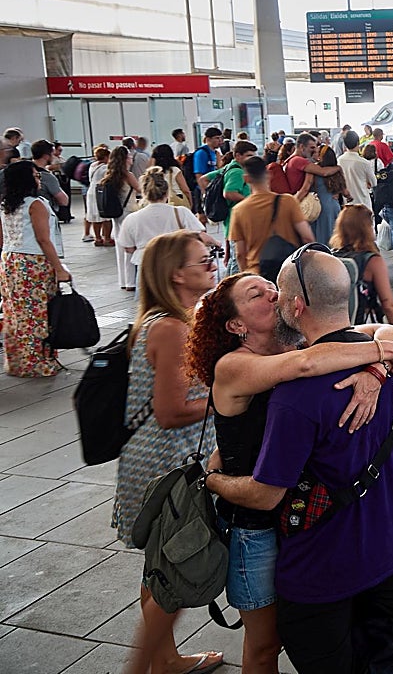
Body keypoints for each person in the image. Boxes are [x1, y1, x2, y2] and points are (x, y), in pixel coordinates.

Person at [201, 250, 393, 674]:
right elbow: (305, 365)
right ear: (236, 325)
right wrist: (211, 479)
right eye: (256, 294)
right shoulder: (238, 365)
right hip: (256, 525)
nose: (271, 294)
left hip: (294, 518)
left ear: (295, 305)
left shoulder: (296, 343)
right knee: (265, 645)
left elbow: (384, 329)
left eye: (272, 288)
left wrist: (376, 368)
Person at [115, 231, 224, 674]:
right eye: (204, 259)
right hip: (166, 466)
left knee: (161, 566)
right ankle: (147, 666)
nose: (213, 263)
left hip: (161, 460)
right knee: (177, 567)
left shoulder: (172, 319)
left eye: (213, 255)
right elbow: (171, 411)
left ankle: (165, 661)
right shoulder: (171, 328)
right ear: (177, 274)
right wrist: (230, 396)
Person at [0, 161, 69, 377]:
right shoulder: (36, 204)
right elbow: (43, 239)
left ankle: (17, 362)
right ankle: (38, 363)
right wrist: (59, 268)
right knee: (37, 313)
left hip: (10, 260)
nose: (39, 179)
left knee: (15, 313)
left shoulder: (5, 204)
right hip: (34, 263)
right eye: (35, 176)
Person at [228, 157, 315, 276]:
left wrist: (249, 276)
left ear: (246, 179)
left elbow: (240, 254)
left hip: (258, 273)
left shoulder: (238, 210)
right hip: (289, 271)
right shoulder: (288, 201)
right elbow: (307, 238)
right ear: (269, 175)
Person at [117, 166, 213, 269]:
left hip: (146, 266)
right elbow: (199, 235)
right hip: (175, 264)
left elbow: (128, 248)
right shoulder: (181, 212)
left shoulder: (132, 219)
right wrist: (216, 243)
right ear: (167, 192)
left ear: (144, 193)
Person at [287, 134, 343, 245]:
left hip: (317, 206)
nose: (314, 150)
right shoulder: (300, 161)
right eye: (312, 147)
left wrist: (292, 205)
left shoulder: (294, 161)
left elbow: (306, 187)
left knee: (319, 239)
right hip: (332, 206)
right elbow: (324, 172)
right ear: (302, 147)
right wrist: (338, 168)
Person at [101, 144, 142, 290]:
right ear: (125, 159)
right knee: (130, 247)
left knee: (120, 247)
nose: (131, 159)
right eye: (129, 156)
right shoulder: (128, 175)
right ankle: (131, 281)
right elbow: (140, 190)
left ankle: (123, 281)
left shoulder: (110, 175)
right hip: (129, 213)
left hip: (116, 214)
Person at [336, 131, 375, 208]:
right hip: (363, 203)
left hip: (347, 203)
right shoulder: (364, 162)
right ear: (358, 142)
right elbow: (374, 182)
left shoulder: (339, 160)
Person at [85, 145, 114, 246]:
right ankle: (107, 238)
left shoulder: (92, 166)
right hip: (102, 191)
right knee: (106, 217)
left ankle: (98, 238)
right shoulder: (105, 168)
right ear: (106, 157)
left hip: (92, 191)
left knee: (95, 217)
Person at [150, 143, 192, 209]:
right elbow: (185, 189)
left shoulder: (154, 172)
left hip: (161, 200)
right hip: (177, 198)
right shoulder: (174, 170)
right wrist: (190, 202)